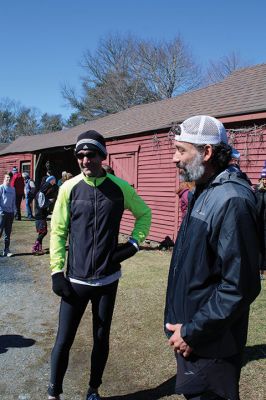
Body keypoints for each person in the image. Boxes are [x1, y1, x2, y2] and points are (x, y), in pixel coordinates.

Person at [47, 130, 151, 400]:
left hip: (107, 280)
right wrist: (57, 271)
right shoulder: (68, 189)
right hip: (76, 281)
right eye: (80, 156)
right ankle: (53, 393)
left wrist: (133, 245)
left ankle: (93, 389)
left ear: (102, 156)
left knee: (101, 338)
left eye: (90, 154)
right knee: (63, 340)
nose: (84, 160)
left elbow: (144, 214)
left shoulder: (120, 188)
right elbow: (58, 231)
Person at [164, 115, 261, 400]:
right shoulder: (204, 192)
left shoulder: (232, 200)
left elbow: (240, 286)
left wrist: (192, 332)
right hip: (193, 339)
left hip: (210, 345)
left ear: (206, 152)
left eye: (181, 150)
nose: (173, 158)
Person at [32, 175, 57, 255]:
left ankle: (39, 248)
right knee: (43, 232)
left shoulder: (42, 193)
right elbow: (41, 205)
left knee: (41, 232)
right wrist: (50, 201)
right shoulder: (41, 193)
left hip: (42, 215)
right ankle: (35, 247)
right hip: (40, 216)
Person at [255, 161, 266, 280]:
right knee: (259, 246)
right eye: (263, 178)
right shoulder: (257, 191)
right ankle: (259, 269)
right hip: (259, 224)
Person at [0, 174, 16, 256]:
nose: (8, 179)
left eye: (10, 178)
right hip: (2, 213)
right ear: (4, 178)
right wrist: (0, 211)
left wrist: (13, 211)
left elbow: (13, 201)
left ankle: (6, 250)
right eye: (7, 177)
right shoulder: (1, 187)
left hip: (10, 213)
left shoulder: (13, 189)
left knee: (8, 233)